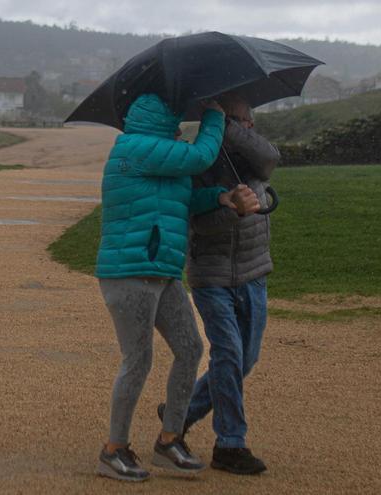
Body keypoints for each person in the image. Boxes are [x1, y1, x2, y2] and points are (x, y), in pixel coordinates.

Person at [95, 93, 259, 482]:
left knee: (190, 348)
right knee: (138, 360)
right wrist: (214, 117)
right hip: (129, 272)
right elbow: (200, 158)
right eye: (174, 116)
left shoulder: (159, 152)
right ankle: (113, 450)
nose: (178, 122)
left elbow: (183, 197)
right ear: (159, 118)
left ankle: (170, 437)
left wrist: (222, 197)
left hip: (161, 271)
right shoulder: (135, 147)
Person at [158, 93, 279, 475]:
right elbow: (200, 227)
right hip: (211, 276)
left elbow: (270, 158)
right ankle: (230, 444)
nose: (249, 127)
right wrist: (233, 209)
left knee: (246, 359)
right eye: (243, 121)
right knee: (227, 353)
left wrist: (227, 125)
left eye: (245, 122)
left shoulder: (253, 160)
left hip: (253, 272)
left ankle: (180, 412)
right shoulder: (199, 163)